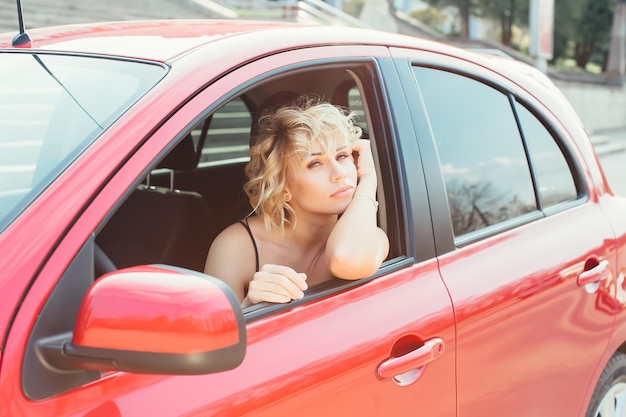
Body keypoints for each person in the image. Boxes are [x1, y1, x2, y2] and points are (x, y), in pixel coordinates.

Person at [204, 96, 389, 307]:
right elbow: (213, 336)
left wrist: (368, 179)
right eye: (315, 163)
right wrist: (248, 307)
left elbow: (346, 259)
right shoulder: (235, 246)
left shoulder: (368, 237)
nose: (339, 174)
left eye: (342, 156)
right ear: (283, 188)